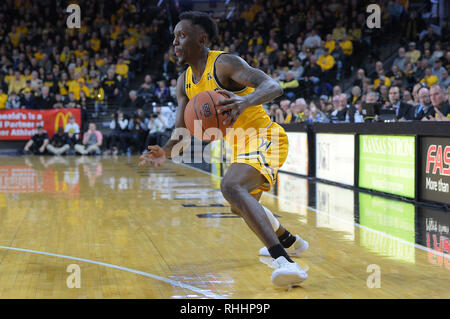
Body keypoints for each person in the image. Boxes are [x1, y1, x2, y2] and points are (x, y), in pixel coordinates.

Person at [139, 11, 308, 287]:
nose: (175, 42)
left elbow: (273, 86)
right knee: (239, 207)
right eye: (174, 37)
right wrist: (165, 151)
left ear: (201, 38)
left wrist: (245, 101)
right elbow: (181, 133)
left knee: (231, 186)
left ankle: (286, 262)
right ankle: (291, 241)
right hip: (240, 149)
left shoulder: (225, 64)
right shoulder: (184, 82)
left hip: (266, 138)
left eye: (182, 35)